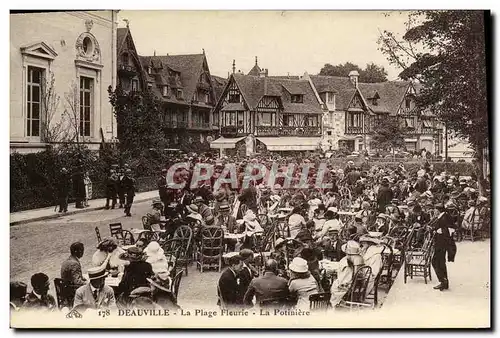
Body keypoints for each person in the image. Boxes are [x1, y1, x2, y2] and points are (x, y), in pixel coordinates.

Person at [330, 241, 365, 306]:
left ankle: (337, 302)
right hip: (359, 283)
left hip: (350, 285)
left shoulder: (346, 261)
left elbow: (344, 279)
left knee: (335, 284)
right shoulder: (359, 258)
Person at [430, 204, 455, 291]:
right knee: (440, 262)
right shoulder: (444, 216)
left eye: (435, 209)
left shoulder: (444, 217)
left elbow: (449, 231)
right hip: (442, 244)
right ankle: (444, 281)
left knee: (435, 262)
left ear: (438, 210)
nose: (434, 211)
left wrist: (438, 231)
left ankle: (443, 281)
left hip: (441, 244)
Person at [60, 242, 87, 306]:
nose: (83, 252)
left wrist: (82, 278)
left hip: (66, 289)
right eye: (81, 250)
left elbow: (72, 275)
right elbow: (77, 281)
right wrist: (88, 283)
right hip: (72, 292)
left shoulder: (67, 261)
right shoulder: (74, 263)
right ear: (75, 251)